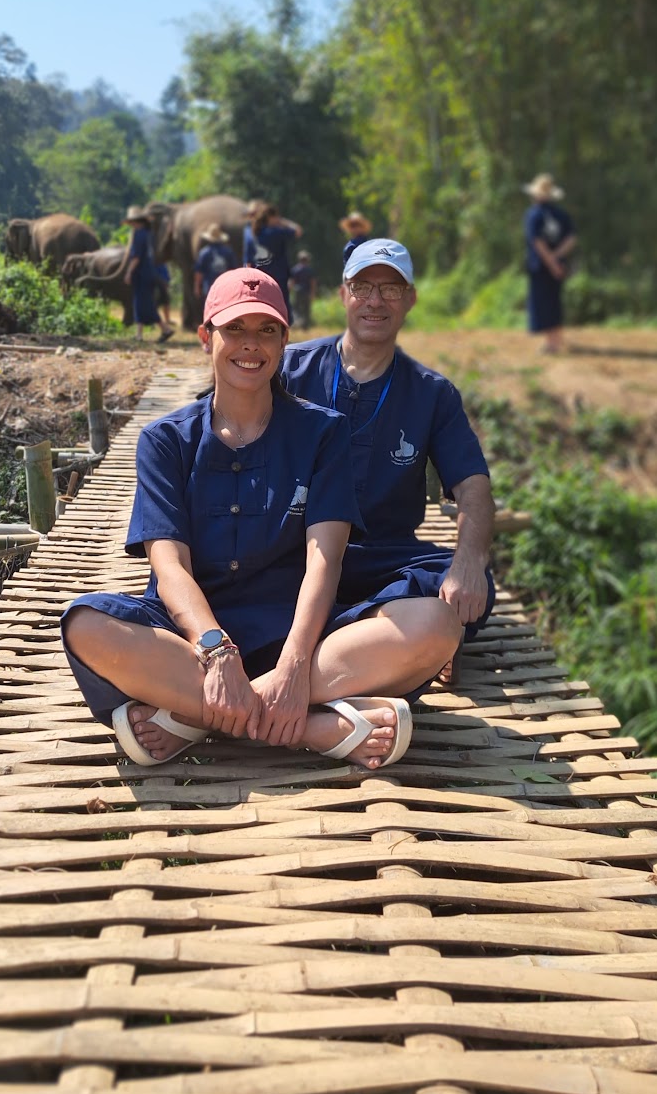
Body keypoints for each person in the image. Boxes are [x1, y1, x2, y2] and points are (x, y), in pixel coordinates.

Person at [62, 267, 460, 769]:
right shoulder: (165, 440)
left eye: (266, 330)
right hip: (190, 641)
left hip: (301, 636)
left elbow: (325, 558)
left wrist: (293, 665)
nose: (250, 345)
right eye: (235, 329)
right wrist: (217, 651)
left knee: (437, 623)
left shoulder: (323, 432)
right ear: (207, 337)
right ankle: (313, 729)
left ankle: (198, 717)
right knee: (85, 624)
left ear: (283, 341)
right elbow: (169, 568)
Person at [280, 238, 496, 676]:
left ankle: (349, 627)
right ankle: (391, 637)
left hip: (384, 555)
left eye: (391, 289)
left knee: (474, 589)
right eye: (362, 286)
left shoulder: (431, 393)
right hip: (298, 549)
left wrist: (470, 562)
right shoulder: (289, 370)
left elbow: (472, 484)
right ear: (343, 294)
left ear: (410, 299)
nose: (374, 301)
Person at [523, 173, 577, 355]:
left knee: (543, 304)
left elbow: (537, 242)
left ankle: (552, 343)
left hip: (541, 266)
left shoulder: (534, 215)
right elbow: (571, 239)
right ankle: (557, 339)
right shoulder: (561, 214)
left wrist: (550, 262)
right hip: (559, 266)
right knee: (554, 302)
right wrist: (557, 258)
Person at [121, 207, 174, 344]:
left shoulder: (139, 234)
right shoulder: (149, 234)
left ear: (136, 221)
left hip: (141, 274)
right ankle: (139, 334)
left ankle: (165, 329)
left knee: (146, 304)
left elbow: (136, 257)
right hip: (150, 273)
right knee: (140, 303)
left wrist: (129, 272)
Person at [245, 201, 303, 321]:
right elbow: (298, 231)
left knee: (263, 306)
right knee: (281, 307)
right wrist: (283, 222)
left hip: (260, 277)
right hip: (278, 277)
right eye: (276, 217)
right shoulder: (277, 232)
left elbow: (248, 261)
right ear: (271, 217)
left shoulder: (253, 234)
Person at [193, 222, 238, 306]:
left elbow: (199, 272)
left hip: (209, 289)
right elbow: (234, 271)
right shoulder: (228, 251)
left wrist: (197, 287)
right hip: (225, 288)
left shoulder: (204, 253)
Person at [289, 250, 317, 330]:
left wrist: (289, 291)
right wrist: (313, 293)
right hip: (306, 291)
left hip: (297, 291)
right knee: (306, 309)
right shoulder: (310, 270)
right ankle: (305, 326)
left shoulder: (295, 269)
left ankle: (295, 324)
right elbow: (313, 282)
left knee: (296, 308)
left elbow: (292, 282)